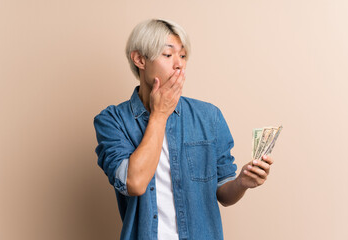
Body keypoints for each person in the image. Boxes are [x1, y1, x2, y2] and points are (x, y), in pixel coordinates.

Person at [93, 19, 274, 240]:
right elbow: (135, 183)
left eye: (183, 56)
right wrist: (159, 114)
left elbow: (223, 192)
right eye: (168, 55)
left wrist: (242, 183)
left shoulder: (209, 116)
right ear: (140, 59)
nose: (179, 64)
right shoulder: (113, 120)